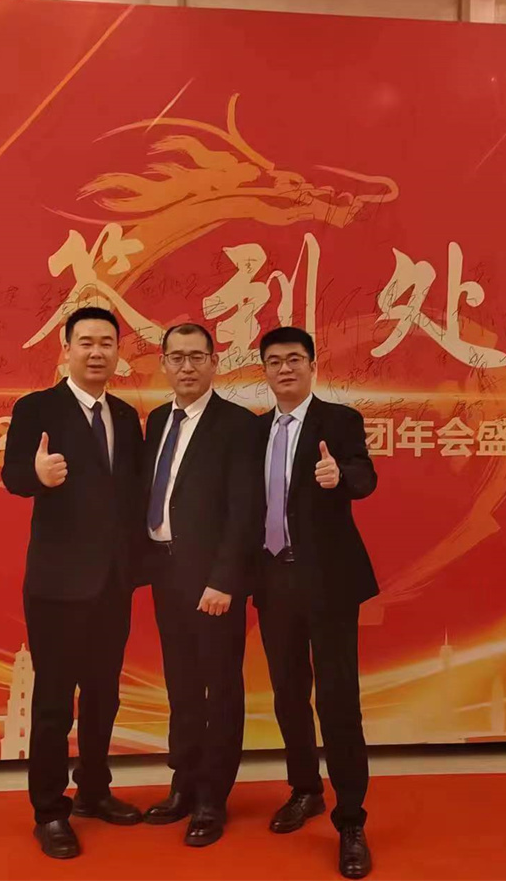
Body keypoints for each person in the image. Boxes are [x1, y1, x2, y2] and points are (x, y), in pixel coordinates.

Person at [2, 306, 145, 859]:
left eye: (106, 342)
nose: (96, 352)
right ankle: (49, 811)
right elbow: (13, 474)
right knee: (54, 702)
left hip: (112, 583)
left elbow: (131, 496)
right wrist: (36, 476)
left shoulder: (125, 416)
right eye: (85, 342)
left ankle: (94, 790)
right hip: (57, 585)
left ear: (118, 352)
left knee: (104, 695)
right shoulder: (36, 408)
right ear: (65, 349)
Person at [253, 326, 378, 879]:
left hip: (328, 584)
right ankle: (305, 789)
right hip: (273, 581)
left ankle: (351, 821)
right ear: (263, 370)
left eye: (294, 359)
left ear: (312, 366)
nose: (285, 369)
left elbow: (365, 477)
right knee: (287, 694)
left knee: (337, 699)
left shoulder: (339, 421)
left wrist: (339, 475)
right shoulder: (254, 431)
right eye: (275, 361)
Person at [139, 323, 261, 846]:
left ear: (215, 362)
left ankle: (213, 798)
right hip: (165, 573)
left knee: (220, 688)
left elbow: (245, 511)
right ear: (163, 364)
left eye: (196, 356)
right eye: (176, 357)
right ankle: (184, 783)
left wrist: (225, 580)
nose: (186, 367)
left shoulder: (238, 425)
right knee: (182, 685)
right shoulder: (156, 421)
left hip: (213, 584)